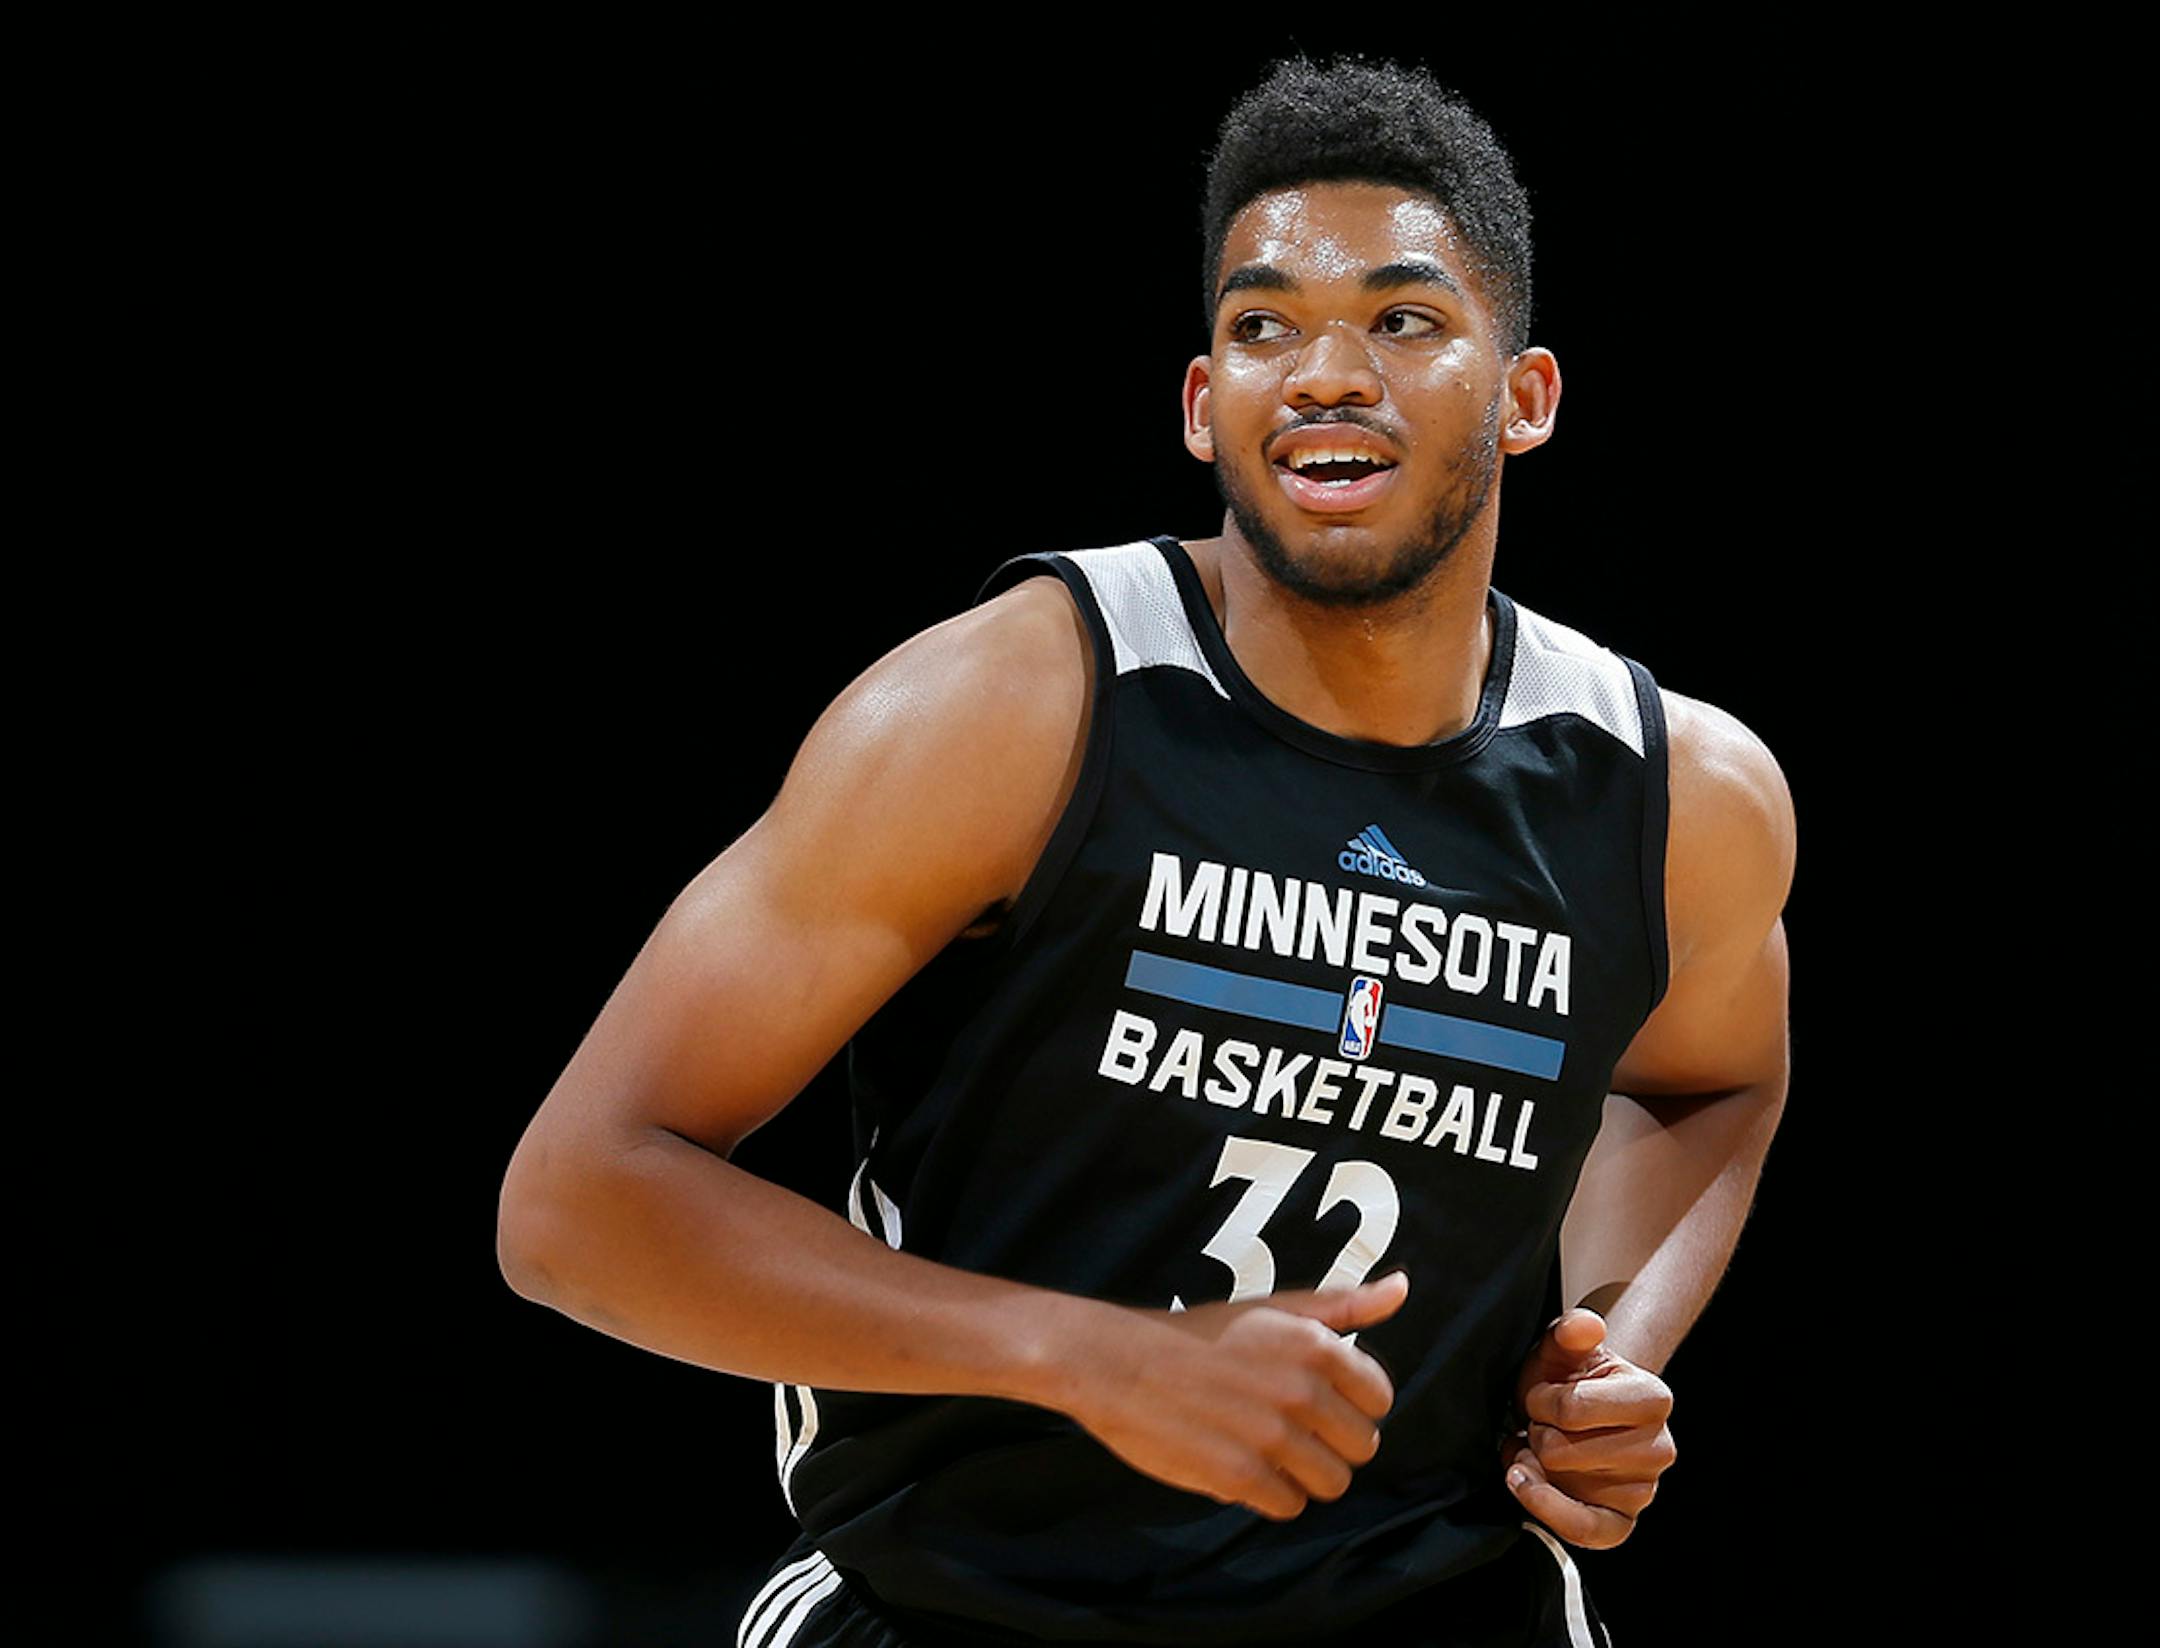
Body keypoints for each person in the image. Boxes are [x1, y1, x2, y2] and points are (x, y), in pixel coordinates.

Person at [496, 52, 1793, 1648]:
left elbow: (1712, 1080)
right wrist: (1082, 1355)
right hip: (965, 1608)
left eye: (1403, 320)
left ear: (1524, 398)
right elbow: (577, 1201)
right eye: (1264, 328)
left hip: (1448, 1602)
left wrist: (1603, 1344)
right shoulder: (1012, 707)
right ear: (1201, 404)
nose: (1326, 374)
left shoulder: (1674, 793)